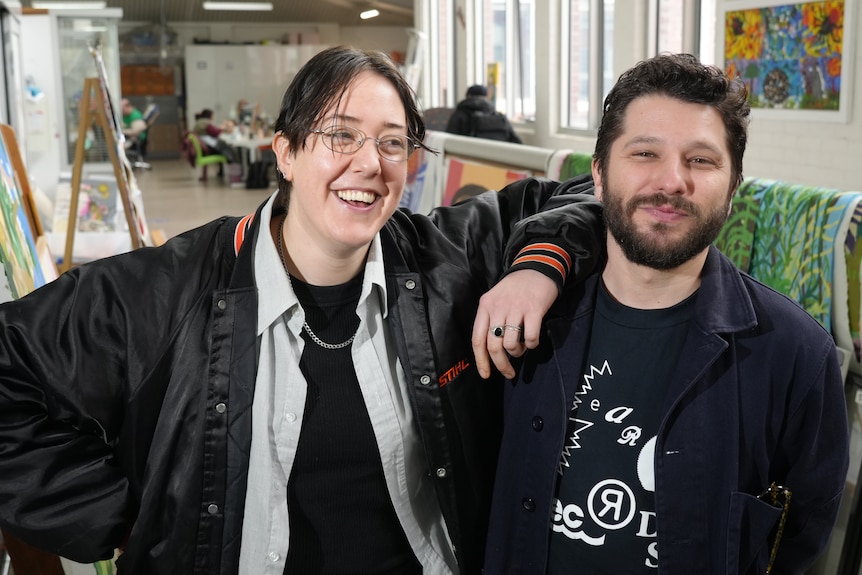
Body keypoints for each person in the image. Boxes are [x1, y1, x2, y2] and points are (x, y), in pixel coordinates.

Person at [0, 46, 603, 574]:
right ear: (285, 154)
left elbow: (591, 191)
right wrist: (123, 518)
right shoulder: (164, 292)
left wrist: (538, 264)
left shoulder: (440, 262)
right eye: (341, 135)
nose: (370, 163)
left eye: (392, 142)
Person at [483, 53, 850, 574]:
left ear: (732, 191)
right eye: (644, 153)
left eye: (701, 160)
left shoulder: (794, 354)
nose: (672, 180)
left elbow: (800, 535)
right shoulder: (519, 322)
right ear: (600, 175)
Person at [445, 85, 523, 144]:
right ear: (486, 97)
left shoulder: (459, 115)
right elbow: (517, 142)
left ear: (468, 96)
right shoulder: (499, 116)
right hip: (500, 159)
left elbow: (449, 140)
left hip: (471, 159)